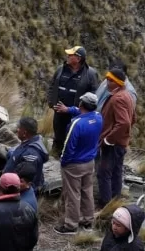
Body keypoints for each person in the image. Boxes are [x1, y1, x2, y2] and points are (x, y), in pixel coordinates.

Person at [56, 92, 103, 235]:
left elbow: (68, 146)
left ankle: (70, 225)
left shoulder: (76, 124)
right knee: (87, 191)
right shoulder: (98, 117)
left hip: (74, 164)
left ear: (81, 104)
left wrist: (63, 162)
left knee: (72, 195)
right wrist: (69, 110)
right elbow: (83, 112)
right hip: (90, 162)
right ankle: (88, 221)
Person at [48, 45, 99, 154]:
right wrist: (51, 102)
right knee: (58, 135)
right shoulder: (60, 69)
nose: (67, 56)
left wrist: (82, 109)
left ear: (78, 59)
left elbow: (94, 94)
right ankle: (55, 155)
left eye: (71, 55)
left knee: (72, 137)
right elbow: (52, 85)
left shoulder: (90, 74)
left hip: (77, 114)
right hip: (59, 110)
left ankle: (69, 159)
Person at [98, 65, 136, 208]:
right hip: (121, 143)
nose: (107, 82)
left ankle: (105, 206)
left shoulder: (118, 98)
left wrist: (109, 139)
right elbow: (133, 119)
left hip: (113, 145)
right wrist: (124, 136)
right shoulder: (127, 95)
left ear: (118, 82)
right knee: (116, 172)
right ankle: (115, 201)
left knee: (104, 173)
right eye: (107, 79)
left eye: (110, 80)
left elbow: (124, 122)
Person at [2, 117, 47, 195]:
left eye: (19, 128)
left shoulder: (31, 154)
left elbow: (24, 182)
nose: (17, 130)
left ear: (24, 133)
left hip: (19, 194)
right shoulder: (29, 142)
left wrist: (10, 190)